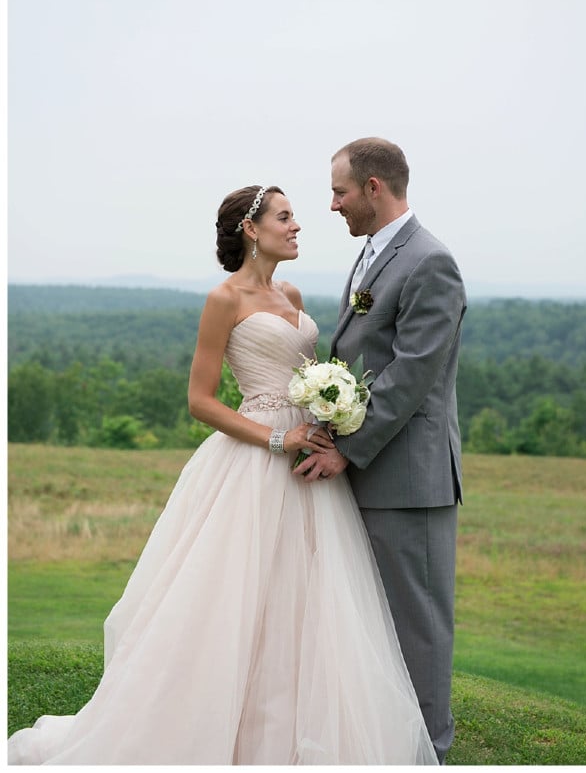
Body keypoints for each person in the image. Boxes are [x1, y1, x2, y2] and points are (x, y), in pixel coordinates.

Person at [8, 184, 438, 765]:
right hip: (257, 458)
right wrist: (276, 436)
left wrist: (331, 407)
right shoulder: (224, 299)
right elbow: (201, 401)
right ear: (251, 229)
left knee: (308, 599)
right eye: (285, 218)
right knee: (232, 596)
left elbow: (306, 369)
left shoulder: (290, 291)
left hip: (311, 459)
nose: (297, 227)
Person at [294, 138, 467, 763]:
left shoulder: (429, 262)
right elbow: (363, 354)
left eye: (339, 191)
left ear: (373, 187)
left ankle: (428, 752)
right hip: (370, 473)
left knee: (415, 627)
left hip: (409, 479)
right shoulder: (373, 254)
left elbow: (414, 372)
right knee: (372, 625)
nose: (332, 203)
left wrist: (349, 448)